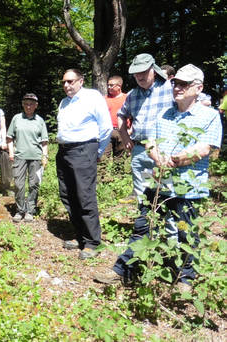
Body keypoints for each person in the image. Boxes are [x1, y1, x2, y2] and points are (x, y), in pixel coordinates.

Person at [95, 64, 222, 291]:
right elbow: (151, 141)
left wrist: (175, 160)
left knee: (186, 234)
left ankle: (184, 279)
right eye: (175, 83)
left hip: (188, 188)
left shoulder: (210, 115)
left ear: (198, 87)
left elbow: (204, 148)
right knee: (144, 227)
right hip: (159, 184)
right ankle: (123, 270)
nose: (177, 87)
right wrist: (157, 156)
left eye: (184, 84)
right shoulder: (165, 113)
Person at [56, 69, 112, 259]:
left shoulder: (92, 97)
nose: (66, 85)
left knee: (84, 195)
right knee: (67, 194)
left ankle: (92, 242)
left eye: (70, 81)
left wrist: (96, 151)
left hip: (84, 150)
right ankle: (80, 236)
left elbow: (105, 128)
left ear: (81, 81)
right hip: (64, 151)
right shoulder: (64, 102)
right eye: (64, 82)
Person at [118, 54, 173, 200]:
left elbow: (197, 102)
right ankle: (145, 223)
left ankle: (163, 222)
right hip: (139, 151)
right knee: (142, 196)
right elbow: (121, 115)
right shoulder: (132, 95)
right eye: (136, 73)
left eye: (143, 72)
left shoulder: (170, 89)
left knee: (163, 195)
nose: (139, 76)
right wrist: (125, 137)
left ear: (153, 70)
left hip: (163, 151)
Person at [7, 93, 48, 223]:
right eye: (26, 103)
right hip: (19, 157)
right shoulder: (16, 118)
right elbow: (9, 138)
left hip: (36, 157)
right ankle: (20, 210)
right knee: (19, 184)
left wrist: (45, 156)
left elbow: (45, 141)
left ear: (36, 105)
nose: (28, 106)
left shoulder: (40, 121)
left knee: (34, 184)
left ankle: (30, 210)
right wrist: (11, 153)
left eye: (31, 104)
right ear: (23, 104)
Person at [104, 75, 128, 158]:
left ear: (119, 86)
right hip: (107, 131)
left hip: (122, 131)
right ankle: (101, 171)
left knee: (119, 158)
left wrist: (130, 130)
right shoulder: (104, 99)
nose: (109, 87)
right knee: (103, 158)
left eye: (111, 85)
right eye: (108, 85)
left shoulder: (127, 98)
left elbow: (132, 116)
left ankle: (118, 171)